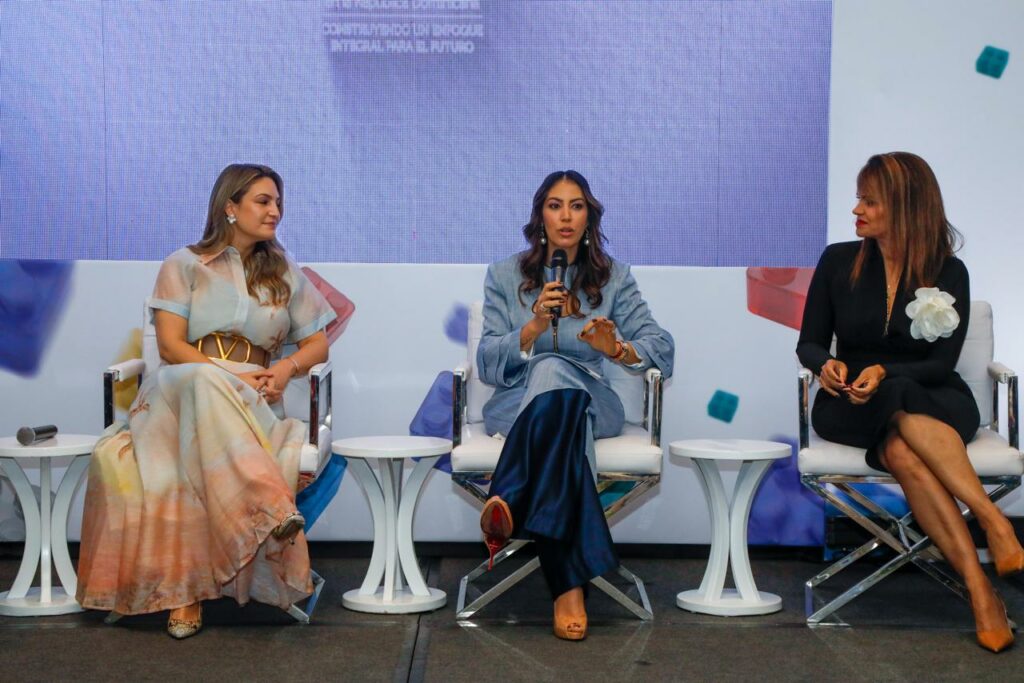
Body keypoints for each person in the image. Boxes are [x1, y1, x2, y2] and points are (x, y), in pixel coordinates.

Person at [76, 164, 336, 639]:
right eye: (263, 201)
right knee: (199, 379)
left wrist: (285, 370)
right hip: (178, 392)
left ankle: (186, 593)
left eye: (278, 202)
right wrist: (229, 374)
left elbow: (317, 345)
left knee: (190, 457)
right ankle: (267, 508)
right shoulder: (183, 264)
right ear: (230, 207)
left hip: (252, 397)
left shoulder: (282, 271)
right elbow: (171, 347)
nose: (275, 211)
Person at [797, 152, 1024, 653]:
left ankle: (982, 591)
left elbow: (941, 364)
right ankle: (993, 526)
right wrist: (827, 366)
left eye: (870, 201)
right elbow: (809, 343)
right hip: (853, 404)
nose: (857, 209)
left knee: (901, 438)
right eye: (858, 198)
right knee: (895, 415)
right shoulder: (837, 260)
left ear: (904, 207)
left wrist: (887, 371)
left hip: (933, 396)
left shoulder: (950, 271)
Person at [476, 170, 674, 640]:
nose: (566, 216)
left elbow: (663, 348)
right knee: (552, 387)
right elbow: (486, 363)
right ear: (540, 217)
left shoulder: (615, 278)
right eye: (555, 205)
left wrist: (617, 349)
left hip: (593, 400)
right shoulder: (504, 276)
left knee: (556, 372)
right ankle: (570, 586)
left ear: (589, 218)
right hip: (518, 403)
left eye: (576, 205)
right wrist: (532, 327)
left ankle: (509, 491)